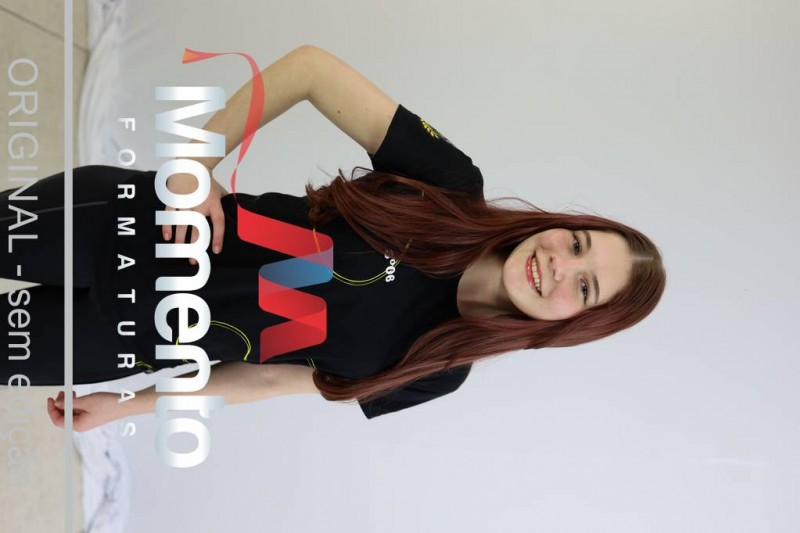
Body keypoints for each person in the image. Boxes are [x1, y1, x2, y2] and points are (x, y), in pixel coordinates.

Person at [0, 45, 665, 431]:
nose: (558, 264)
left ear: (575, 323)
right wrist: (192, 165)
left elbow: (266, 378)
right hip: (123, 227)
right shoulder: (450, 185)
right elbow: (310, 70)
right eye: (577, 243)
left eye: (585, 286)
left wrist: (129, 404)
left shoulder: (436, 369)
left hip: (125, 340)